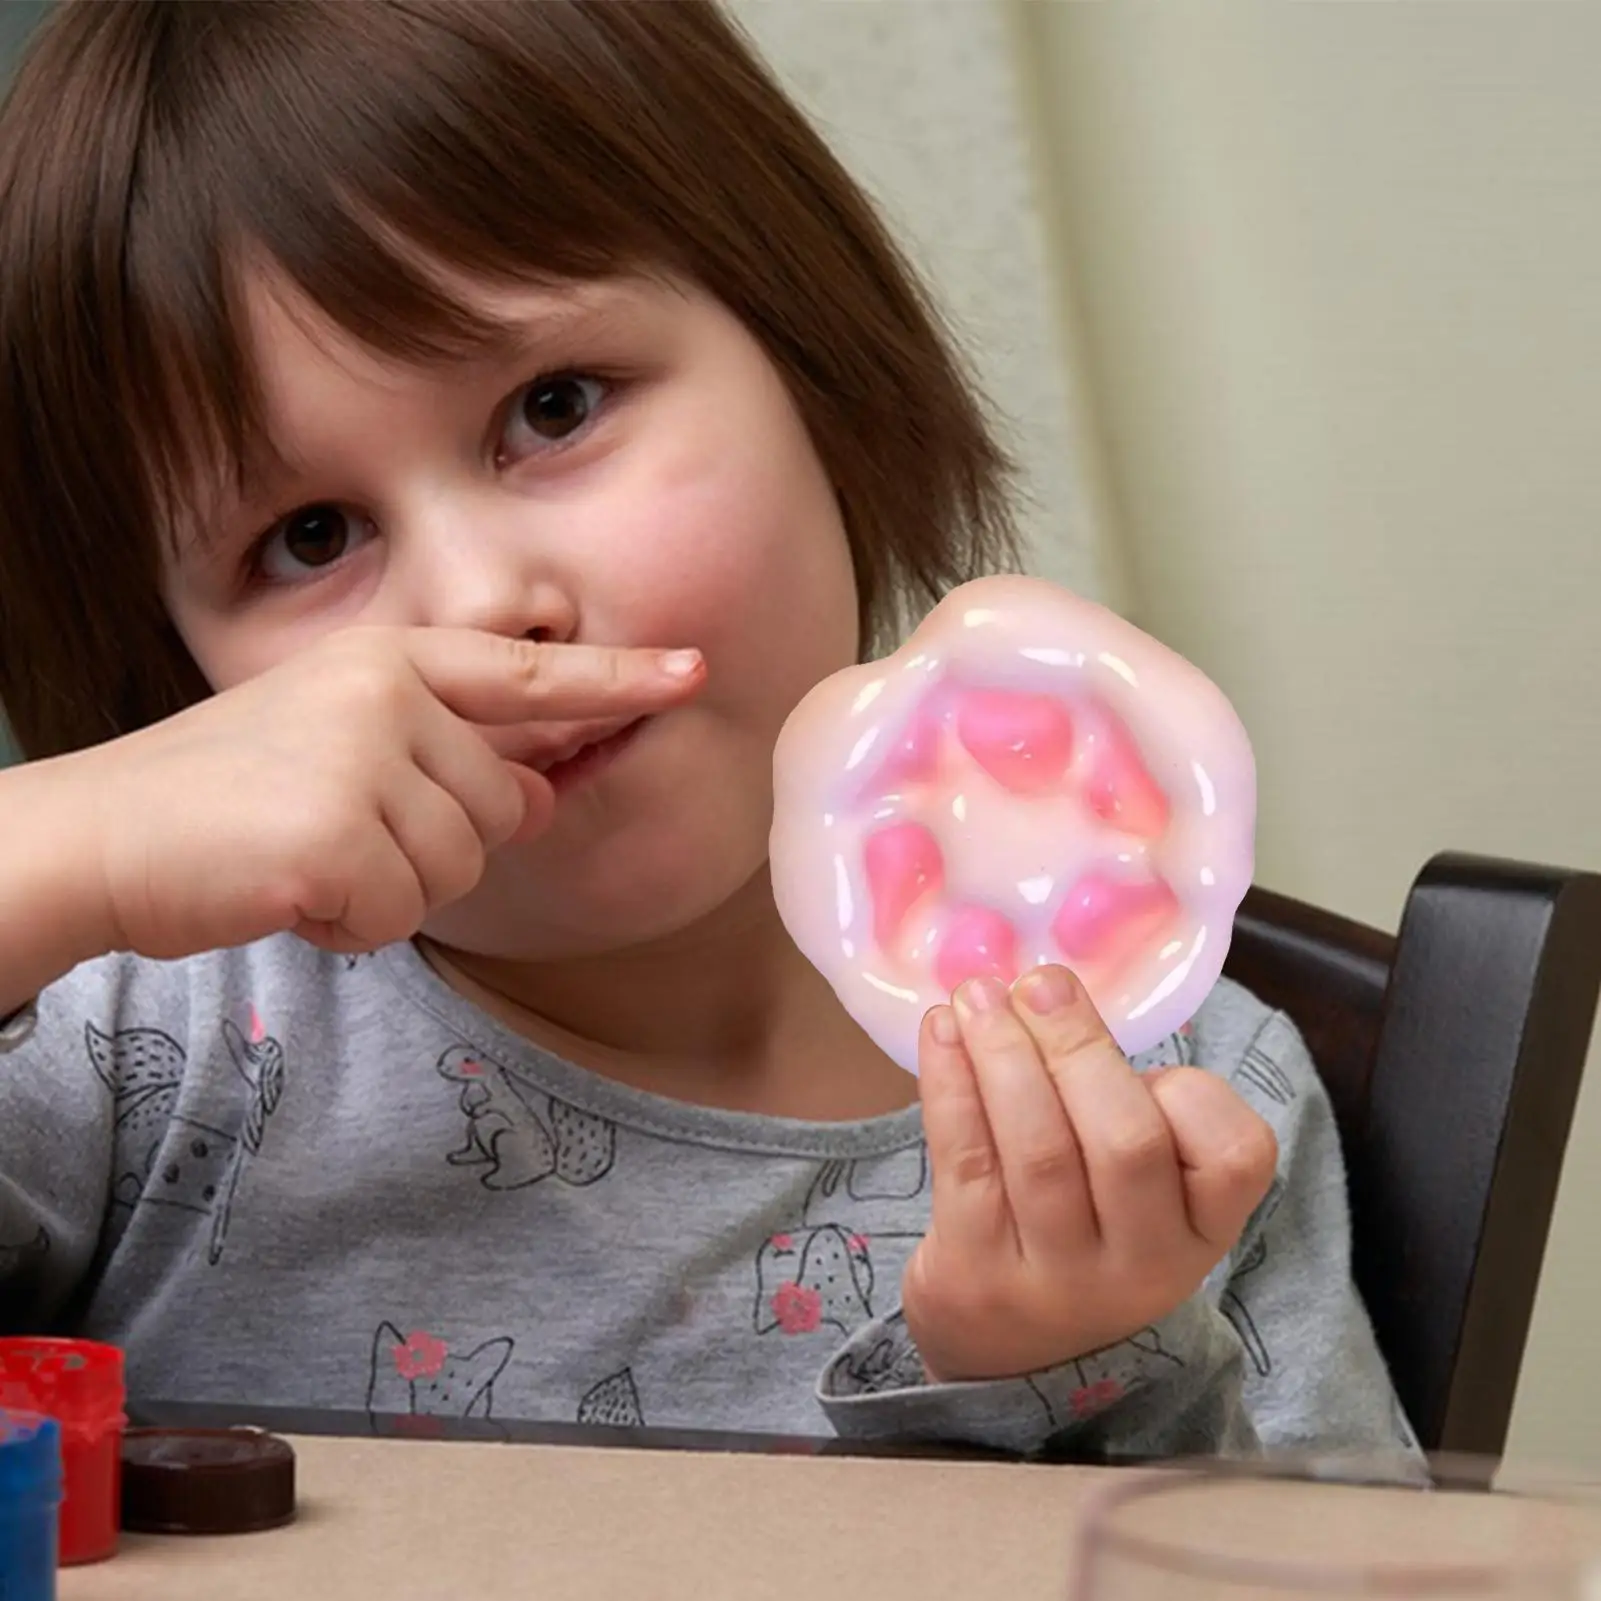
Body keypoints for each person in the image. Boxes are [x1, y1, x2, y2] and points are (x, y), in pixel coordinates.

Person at [0, 0, 1415, 1459]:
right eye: (307, 538)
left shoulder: (1180, 1110)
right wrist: (31, 848)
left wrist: (1070, 1369)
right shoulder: (128, 1038)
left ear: (811, 353)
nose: (487, 600)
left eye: (552, 407)